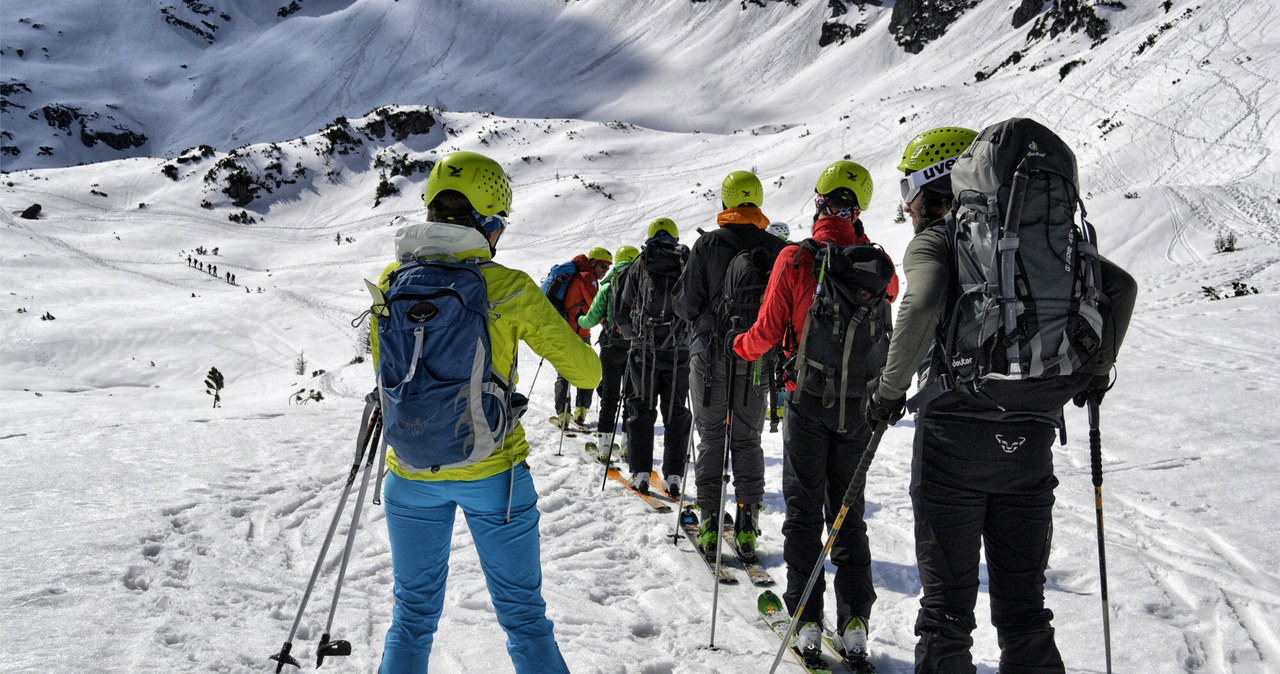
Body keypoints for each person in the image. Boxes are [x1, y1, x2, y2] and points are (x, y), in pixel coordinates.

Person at [864, 126, 1138, 673]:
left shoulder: (936, 240)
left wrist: (888, 393)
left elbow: (917, 309)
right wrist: (1092, 371)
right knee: (1024, 611)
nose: (906, 208)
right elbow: (1121, 288)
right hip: (1030, 439)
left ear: (924, 188)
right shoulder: (1042, 239)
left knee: (946, 613)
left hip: (953, 444)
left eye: (906, 194)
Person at [371, 150, 601, 673]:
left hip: (408, 472)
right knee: (523, 619)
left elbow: (383, 366)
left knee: (410, 617)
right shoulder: (508, 287)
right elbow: (587, 374)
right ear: (488, 221)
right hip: (494, 475)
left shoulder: (391, 279)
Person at [732, 161, 898, 662]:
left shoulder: (795, 260)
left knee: (804, 512)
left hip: (806, 403)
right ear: (858, 209)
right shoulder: (879, 264)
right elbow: (889, 296)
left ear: (820, 201)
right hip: (859, 411)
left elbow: (764, 334)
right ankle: (854, 623)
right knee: (848, 515)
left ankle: (806, 619)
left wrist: (736, 345)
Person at [673, 170, 787, 558]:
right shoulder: (776, 248)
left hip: (710, 355)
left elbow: (686, 303)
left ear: (725, 203)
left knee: (711, 437)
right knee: (747, 438)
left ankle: (708, 521)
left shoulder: (706, 245)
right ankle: (748, 522)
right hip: (756, 355)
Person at [613, 218, 693, 495]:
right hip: (679, 352)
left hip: (644, 351)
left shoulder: (640, 263)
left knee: (641, 409)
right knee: (676, 412)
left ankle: (641, 472)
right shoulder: (686, 261)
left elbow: (621, 309)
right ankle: (673, 477)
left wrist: (632, 337)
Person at [577, 244, 640, 452]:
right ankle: (628, 445)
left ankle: (604, 445)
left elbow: (592, 319)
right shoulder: (644, 281)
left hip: (612, 345)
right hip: (636, 348)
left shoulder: (608, 285)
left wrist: (579, 319)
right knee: (632, 397)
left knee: (610, 396)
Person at [550, 247, 612, 428]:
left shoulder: (581, 275)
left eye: (607, 268)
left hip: (568, 331)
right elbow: (596, 306)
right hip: (577, 333)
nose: (604, 271)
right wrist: (608, 324)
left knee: (565, 371)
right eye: (602, 266)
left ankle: (563, 414)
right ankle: (580, 412)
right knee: (587, 370)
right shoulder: (587, 278)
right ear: (593, 262)